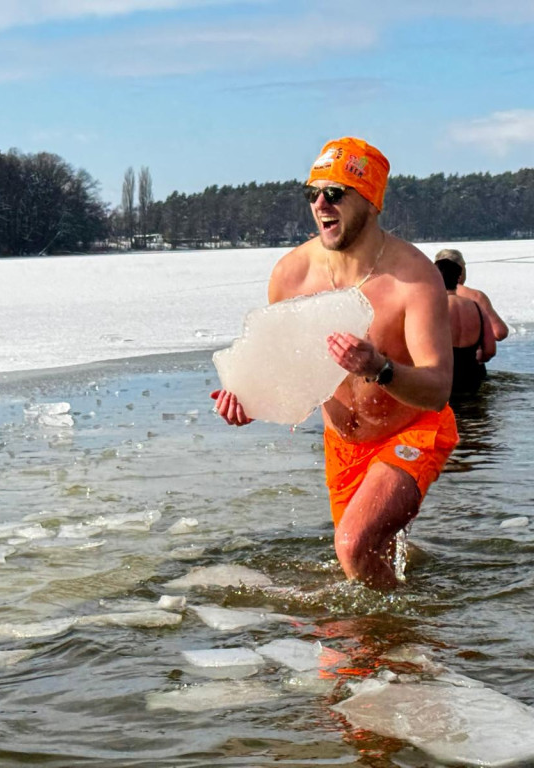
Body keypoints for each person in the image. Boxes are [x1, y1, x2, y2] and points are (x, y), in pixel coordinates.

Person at [213, 137, 457, 591]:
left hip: (413, 430)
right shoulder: (291, 277)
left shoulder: (413, 278)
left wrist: (380, 368)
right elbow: (288, 373)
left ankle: (403, 637)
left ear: (371, 200)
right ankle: (388, 653)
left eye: (336, 193)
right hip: (343, 446)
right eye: (313, 193)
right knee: (369, 557)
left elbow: (438, 387)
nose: (321, 203)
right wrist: (249, 400)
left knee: (352, 547)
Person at [435, 257, 495, 396]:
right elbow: (490, 350)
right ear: (458, 278)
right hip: (473, 377)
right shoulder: (477, 307)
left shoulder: (434, 309)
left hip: (444, 377)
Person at [432, 249, 509, 341]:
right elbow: (499, 332)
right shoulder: (475, 297)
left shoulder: (424, 295)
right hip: (469, 353)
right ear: (460, 269)